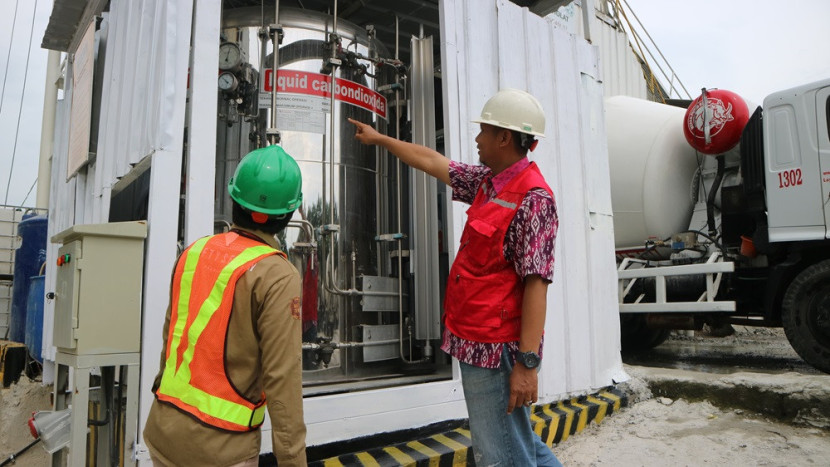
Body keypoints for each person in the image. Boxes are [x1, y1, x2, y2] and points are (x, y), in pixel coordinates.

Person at [349, 88, 561, 466]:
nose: (476, 140)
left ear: (504, 138)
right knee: (517, 442)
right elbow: (432, 161)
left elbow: (536, 285)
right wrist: (380, 139)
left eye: (482, 131)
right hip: (475, 341)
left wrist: (527, 366)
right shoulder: (487, 182)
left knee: (500, 454)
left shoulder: (534, 200)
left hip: (497, 352)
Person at [143, 145, 308, 467]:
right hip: (221, 450)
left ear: (234, 199)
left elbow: (171, 338)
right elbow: (282, 378)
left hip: (163, 431)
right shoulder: (276, 274)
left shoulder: (194, 252)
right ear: (288, 214)